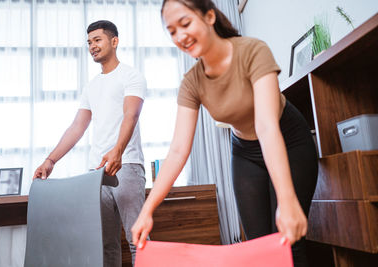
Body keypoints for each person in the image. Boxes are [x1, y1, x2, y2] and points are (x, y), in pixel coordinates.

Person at [131, 1, 318, 266]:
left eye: (185, 24)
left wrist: (286, 200)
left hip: (287, 140)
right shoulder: (192, 82)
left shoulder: (253, 51)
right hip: (244, 151)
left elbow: (266, 125)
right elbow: (177, 151)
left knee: (289, 241)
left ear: (209, 17)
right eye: (171, 31)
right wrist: (146, 211)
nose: (180, 36)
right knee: (258, 247)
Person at [33, 20, 147, 267]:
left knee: (137, 241)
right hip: (96, 173)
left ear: (114, 41)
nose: (92, 46)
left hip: (125, 164)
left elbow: (131, 114)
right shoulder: (92, 86)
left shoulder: (131, 76)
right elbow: (77, 127)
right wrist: (50, 160)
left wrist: (117, 151)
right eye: (89, 42)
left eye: (97, 40)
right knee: (104, 244)